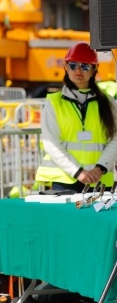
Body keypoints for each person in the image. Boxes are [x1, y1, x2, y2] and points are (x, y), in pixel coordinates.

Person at [35, 42, 117, 193]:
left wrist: (100, 168)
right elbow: (51, 143)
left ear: (94, 70)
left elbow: (115, 138)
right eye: (73, 65)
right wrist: (78, 172)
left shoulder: (108, 103)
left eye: (85, 66)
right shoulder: (54, 102)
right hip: (64, 179)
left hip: (99, 180)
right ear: (66, 67)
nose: (78, 71)